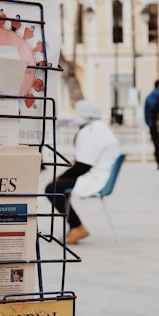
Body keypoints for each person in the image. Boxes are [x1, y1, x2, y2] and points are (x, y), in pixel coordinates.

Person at [45, 99, 119, 245]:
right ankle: (75, 226)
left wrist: (61, 176)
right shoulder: (101, 127)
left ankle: (76, 226)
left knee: (52, 188)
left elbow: (83, 166)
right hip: (101, 174)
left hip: (95, 177)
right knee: (57, 187)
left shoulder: (91, 131)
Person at [144, 80, 159, 169]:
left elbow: (146, 113)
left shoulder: (149, 98)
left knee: (157, 145)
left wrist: (149, 123)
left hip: (153, 125)